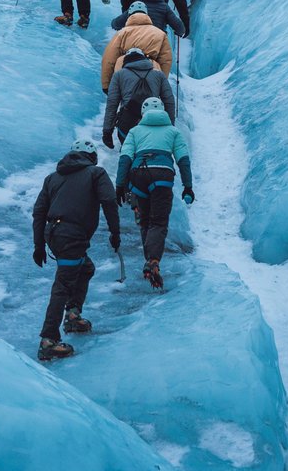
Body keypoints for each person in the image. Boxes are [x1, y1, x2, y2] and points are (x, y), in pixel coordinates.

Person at [32, 138, 120, 361]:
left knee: (85, 267)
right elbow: (109, 200)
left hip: (54, 234)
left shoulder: (52, 178)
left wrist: (39, 245)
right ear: (92, 157)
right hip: (72, 236)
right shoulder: (96, 174)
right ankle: (48, 340)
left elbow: (39, 212)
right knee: (63, 284)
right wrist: (115, 232)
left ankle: (73, 313)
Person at [115, 99, 194, 290]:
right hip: (162, 176)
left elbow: (125, 158)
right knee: (158, 222)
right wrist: (188, 186)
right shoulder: (173, 131)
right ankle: (153, 261)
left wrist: (119, 186)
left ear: (143, 113)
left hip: (139, 174)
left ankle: (150, 260)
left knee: (144, 221)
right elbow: (183, 160)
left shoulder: (135, 131)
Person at [103, 47, 175, 149]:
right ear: (144, 58)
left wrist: (107, 131)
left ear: (126, 60)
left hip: (127, 123)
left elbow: (112, 104)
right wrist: (170, 126)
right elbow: (169, 101)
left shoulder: (119, 75)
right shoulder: (159, 74)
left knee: (129, 152)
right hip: (154, 121)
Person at [100, 4, 172, 91]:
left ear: (129, 15)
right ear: (147, 14)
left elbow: (109, 59)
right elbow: (165, 61)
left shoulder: (121, 33)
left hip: (124, 70)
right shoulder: (160, 33)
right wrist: (161, 84)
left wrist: (106, 85)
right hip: (151, 71)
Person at [109, 0, 185, 37]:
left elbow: (119, 22)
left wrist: (114, 24)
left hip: (135, 37)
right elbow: (178, 25)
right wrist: (179, 32)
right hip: (157, 38)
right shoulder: (164, 7)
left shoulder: (137, 5)